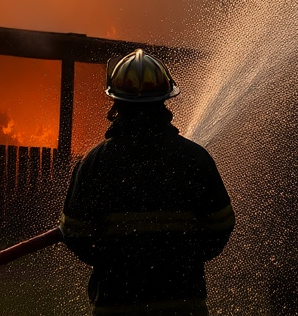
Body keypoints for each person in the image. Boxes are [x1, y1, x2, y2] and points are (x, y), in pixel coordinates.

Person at [60, 49, 235, 316]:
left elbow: (74, 234)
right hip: (184, 306)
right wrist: (183, 258)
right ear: (166, 101)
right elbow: (220, 226)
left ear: (116, 104)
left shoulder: (95, 162)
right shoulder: (195, 158)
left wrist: (112, 261)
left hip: (116, 306)